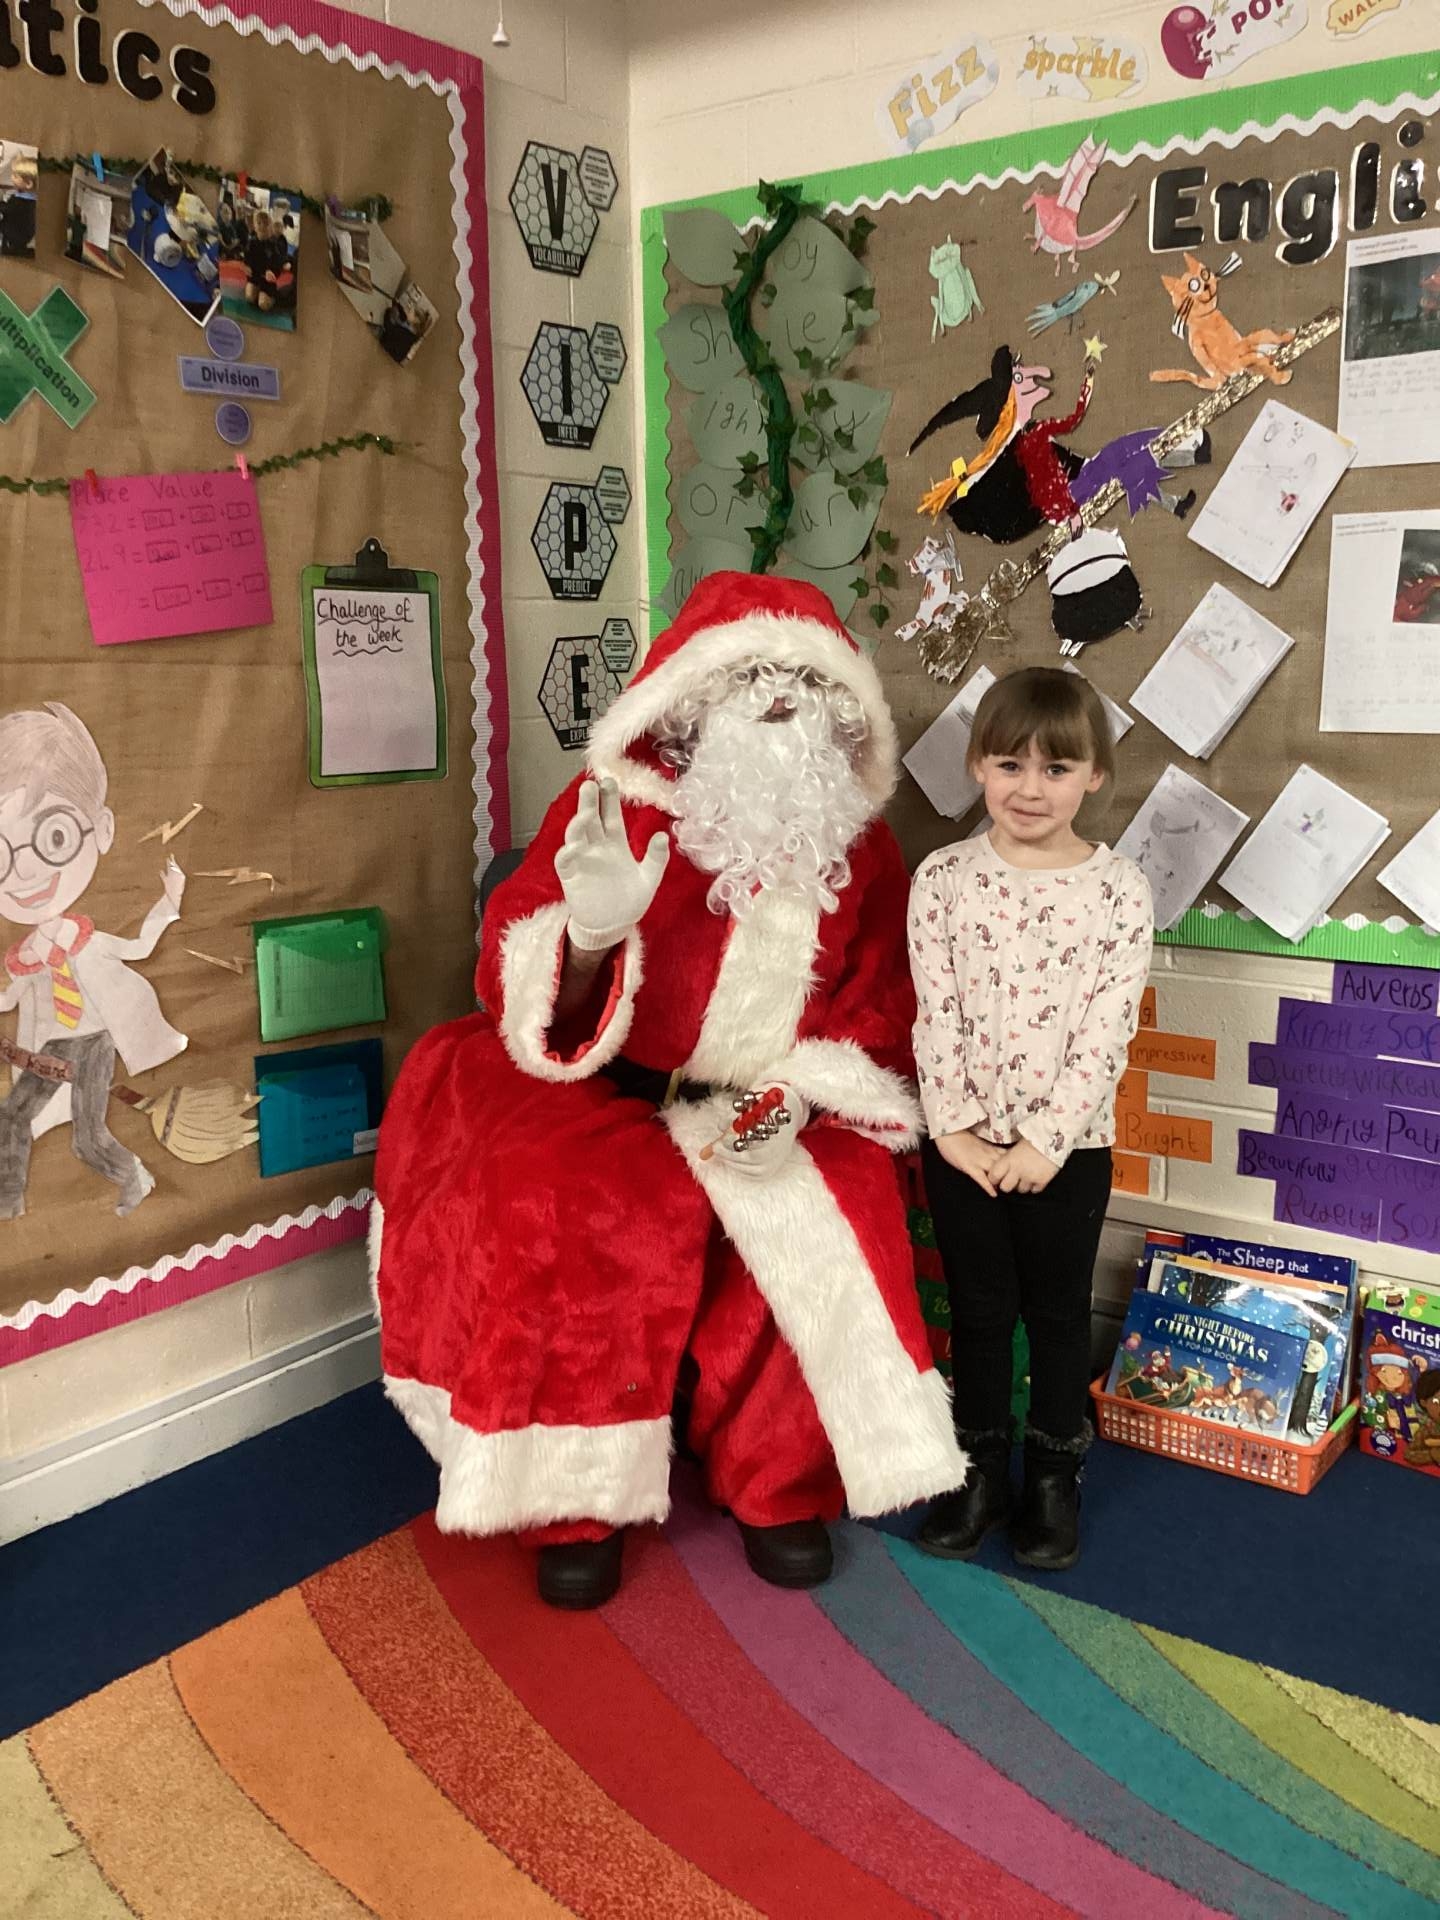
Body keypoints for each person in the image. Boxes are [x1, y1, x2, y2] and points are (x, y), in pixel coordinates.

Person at [372, 572, 966, 1609]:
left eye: (802, 678)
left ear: (843, 704)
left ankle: (779, 1480)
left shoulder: (863, 845)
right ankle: (570, 1497)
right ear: (690, 696)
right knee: (564, 1201)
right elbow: (515, 974)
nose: (777, 697)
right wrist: (588, 937)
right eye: (751, 674)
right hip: (599, 1082)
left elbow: (879, 1004)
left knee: (842, 1197)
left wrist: (799, 1097)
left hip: (770, 1093)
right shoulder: (609, 807)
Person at [907, 667, 1153, 1571]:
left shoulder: (1119, 890)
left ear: (1094, 776)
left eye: (1056, 769)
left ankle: (1053, 1479)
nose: (1030, 789)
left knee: (1055, 1316)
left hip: (1069, 1151)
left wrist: (1048, 1143)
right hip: (962, 1147)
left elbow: (1107, 1028)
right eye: (1010, 764)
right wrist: (956, 1130)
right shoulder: (943, 879)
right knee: (978, 1312)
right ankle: (979, 1473)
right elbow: (935, 1012)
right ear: (978, 764)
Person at [0, 703, 186, 1220]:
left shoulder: (87, 941)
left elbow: (140, 949)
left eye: (53, 838)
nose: (25, 873)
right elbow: (11, 998)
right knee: (12, 1116)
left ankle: (134, 1175)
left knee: (87, 1137)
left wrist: (169, 903)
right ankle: (8, 1204)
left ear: (100, 830)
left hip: (94, 1044)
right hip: (53, 1046)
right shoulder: (28, 954)